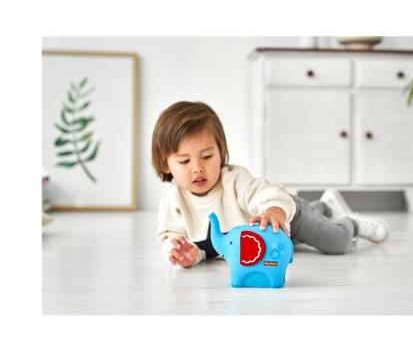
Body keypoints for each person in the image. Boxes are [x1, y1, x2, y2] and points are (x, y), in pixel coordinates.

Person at [152, 101, 389, 268]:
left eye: (207, 156)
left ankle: (351, 223)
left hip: (285, 217)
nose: (197, 168)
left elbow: (269, 193)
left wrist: (275, 211)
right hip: (270, 237)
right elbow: (173, 238)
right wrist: (186, 254)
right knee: (299, 235)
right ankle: (324, 206)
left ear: (221, 152)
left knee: (337, 243)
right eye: (184, 161)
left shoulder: (234, 180)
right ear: (165, 164)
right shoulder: (173, 201)